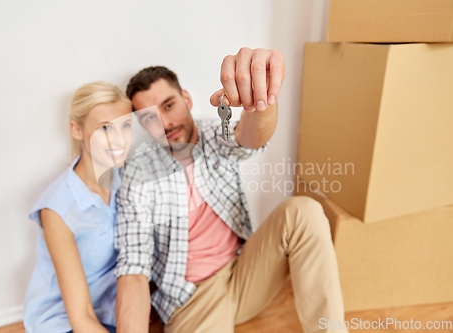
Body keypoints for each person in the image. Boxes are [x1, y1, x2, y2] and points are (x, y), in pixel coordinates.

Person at [115, 48, 349, 333]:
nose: (165, 123)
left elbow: (249, 138)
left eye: (168, 105)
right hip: (191, 298)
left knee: (303, 211)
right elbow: (134, 267)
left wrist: (258, 101)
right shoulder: (138, 172)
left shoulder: (215, 134)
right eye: (150, 117)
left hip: (244, 274)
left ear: (186, 99)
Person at [23, 81, 133, 333]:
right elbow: (81, 317)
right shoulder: (57, 209)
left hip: (110, 309)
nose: (120, 140)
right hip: (65, 322)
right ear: (76, 130)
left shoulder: (125, 179)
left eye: (126, 125)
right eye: (105, 128)